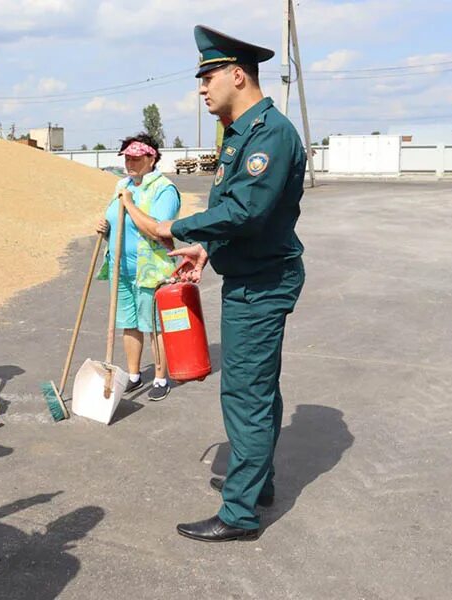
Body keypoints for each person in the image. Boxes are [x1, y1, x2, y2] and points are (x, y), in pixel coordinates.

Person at [156, 25, 307, 542]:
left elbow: (248, 209)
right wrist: (206, 249)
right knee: (258, 390)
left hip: (261, 285)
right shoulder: (242, 133)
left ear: (237, 75)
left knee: (244, 393)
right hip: (250, 275)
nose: (202, 88)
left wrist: (174, 228)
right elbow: (232, 211)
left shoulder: (270, 136)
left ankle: (240, 513)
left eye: (208, 76)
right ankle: (257, 482)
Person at [96, 133, 181, 401]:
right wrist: (105, 226)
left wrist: (129, 204)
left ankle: (159, 377)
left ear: (151, 158)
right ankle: (134, 375)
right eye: (127, 158)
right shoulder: (122, 184)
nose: (130, 163)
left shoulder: (164, 189)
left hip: (151, 269)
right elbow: (115, 216)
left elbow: (158, 230)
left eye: (136, 158)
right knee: (128, 322)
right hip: (120, 266)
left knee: (154, 324)